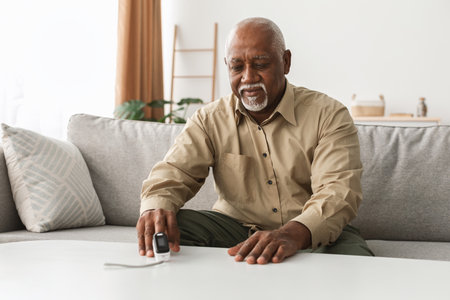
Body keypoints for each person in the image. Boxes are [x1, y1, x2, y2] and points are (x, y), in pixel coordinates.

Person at [136, 17, 373, 264]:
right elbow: (174, 171)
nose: (248, 78)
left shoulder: (328, 114)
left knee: (354, 260)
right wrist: (156, 207)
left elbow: (338, 192)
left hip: (306, 232)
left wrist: (292, 234)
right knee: (171, 226)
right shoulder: (209, 119)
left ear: (286, 62)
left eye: (260, 64)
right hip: (234, 230)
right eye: (237, 67)